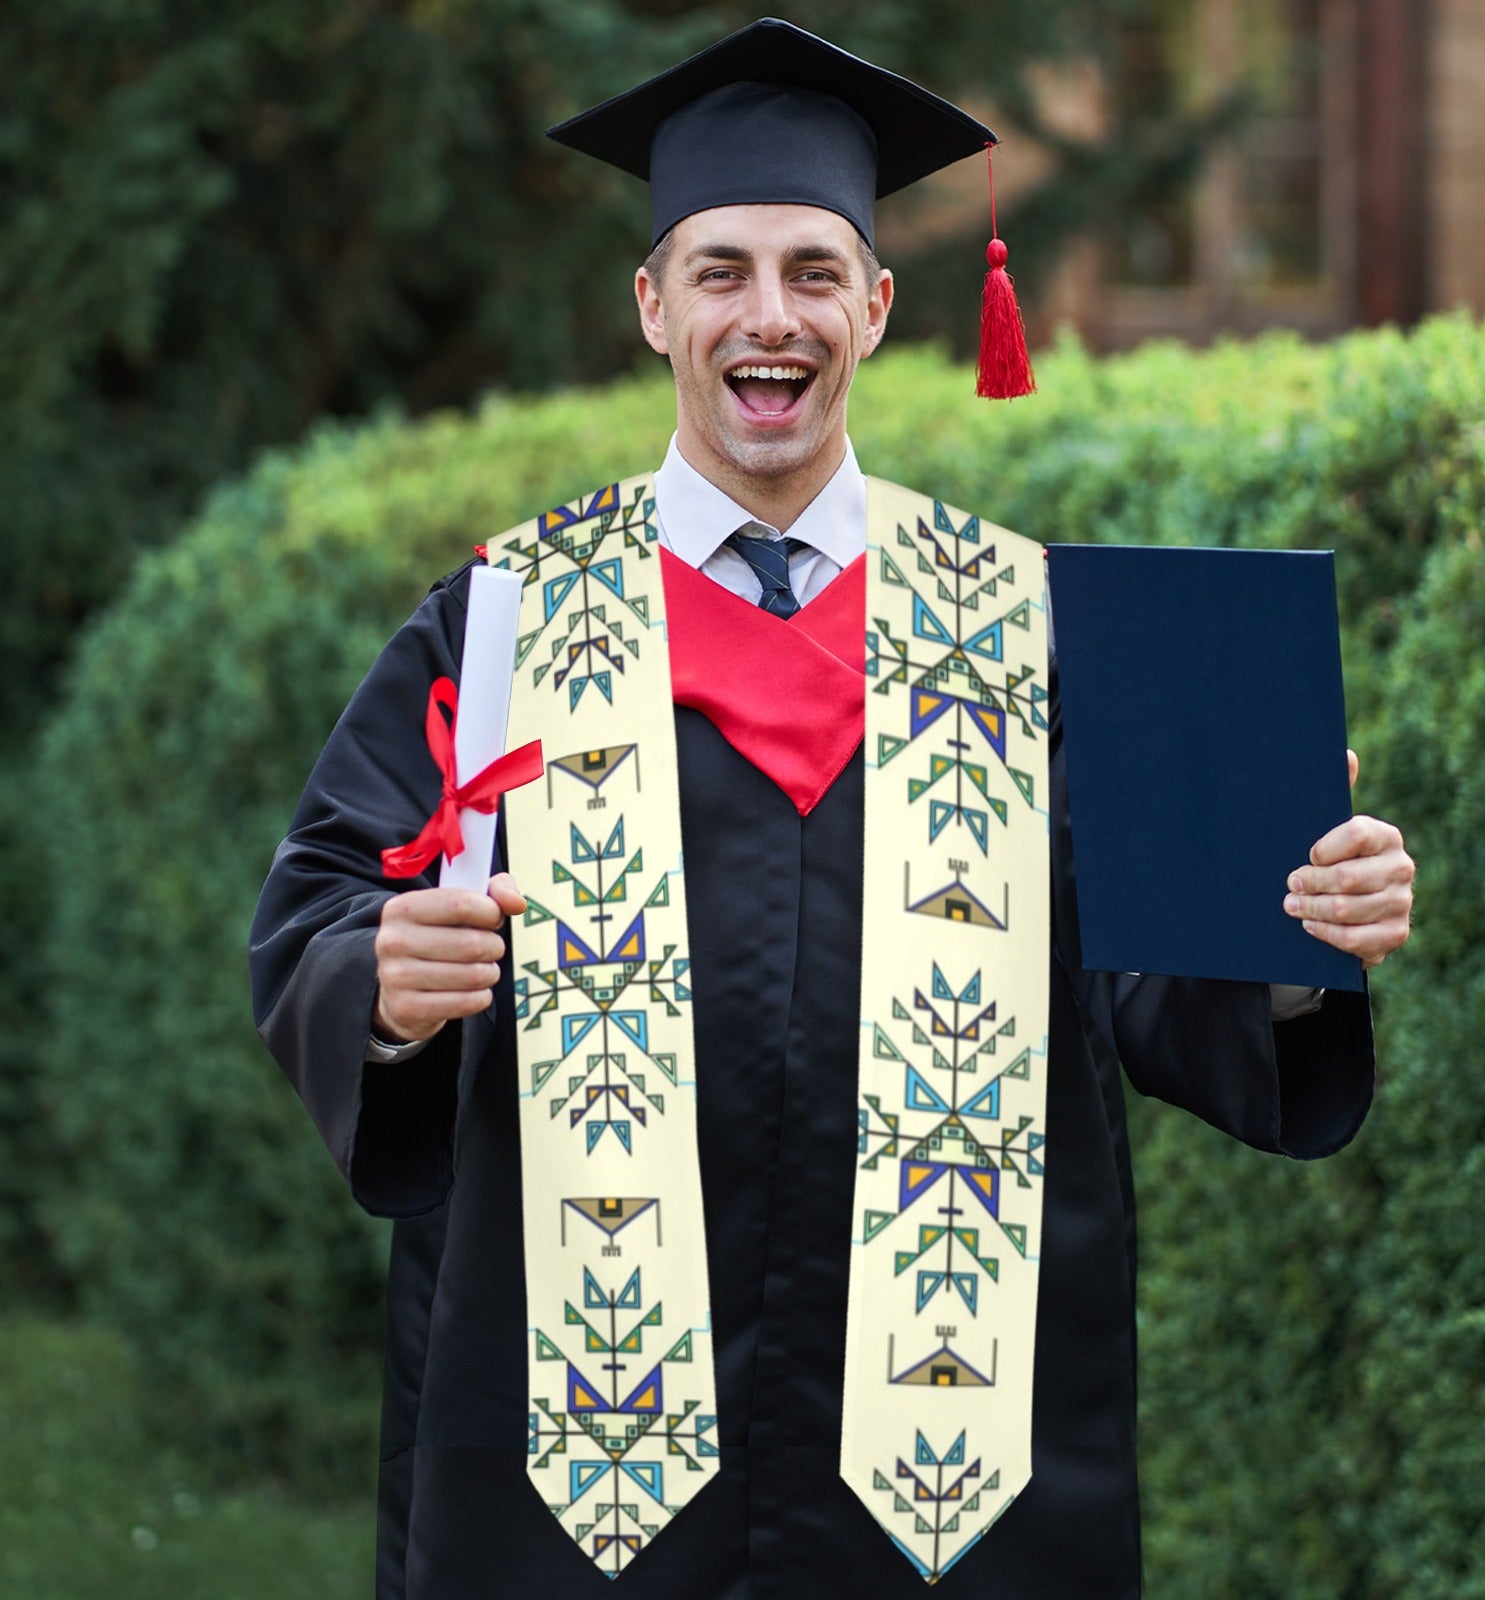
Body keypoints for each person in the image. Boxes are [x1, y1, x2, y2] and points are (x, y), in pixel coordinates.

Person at [249, 19, 1414, 1600]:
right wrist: (381, 984)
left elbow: (1148, 977)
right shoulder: (510, 623)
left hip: (956, 1460)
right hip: (583, 1465)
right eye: (721, 270)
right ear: (654, 306)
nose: (768, 316)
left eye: (812, 271)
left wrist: (1292, 934)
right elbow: (326, 902)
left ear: (876, 305)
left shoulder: (1030, 622)